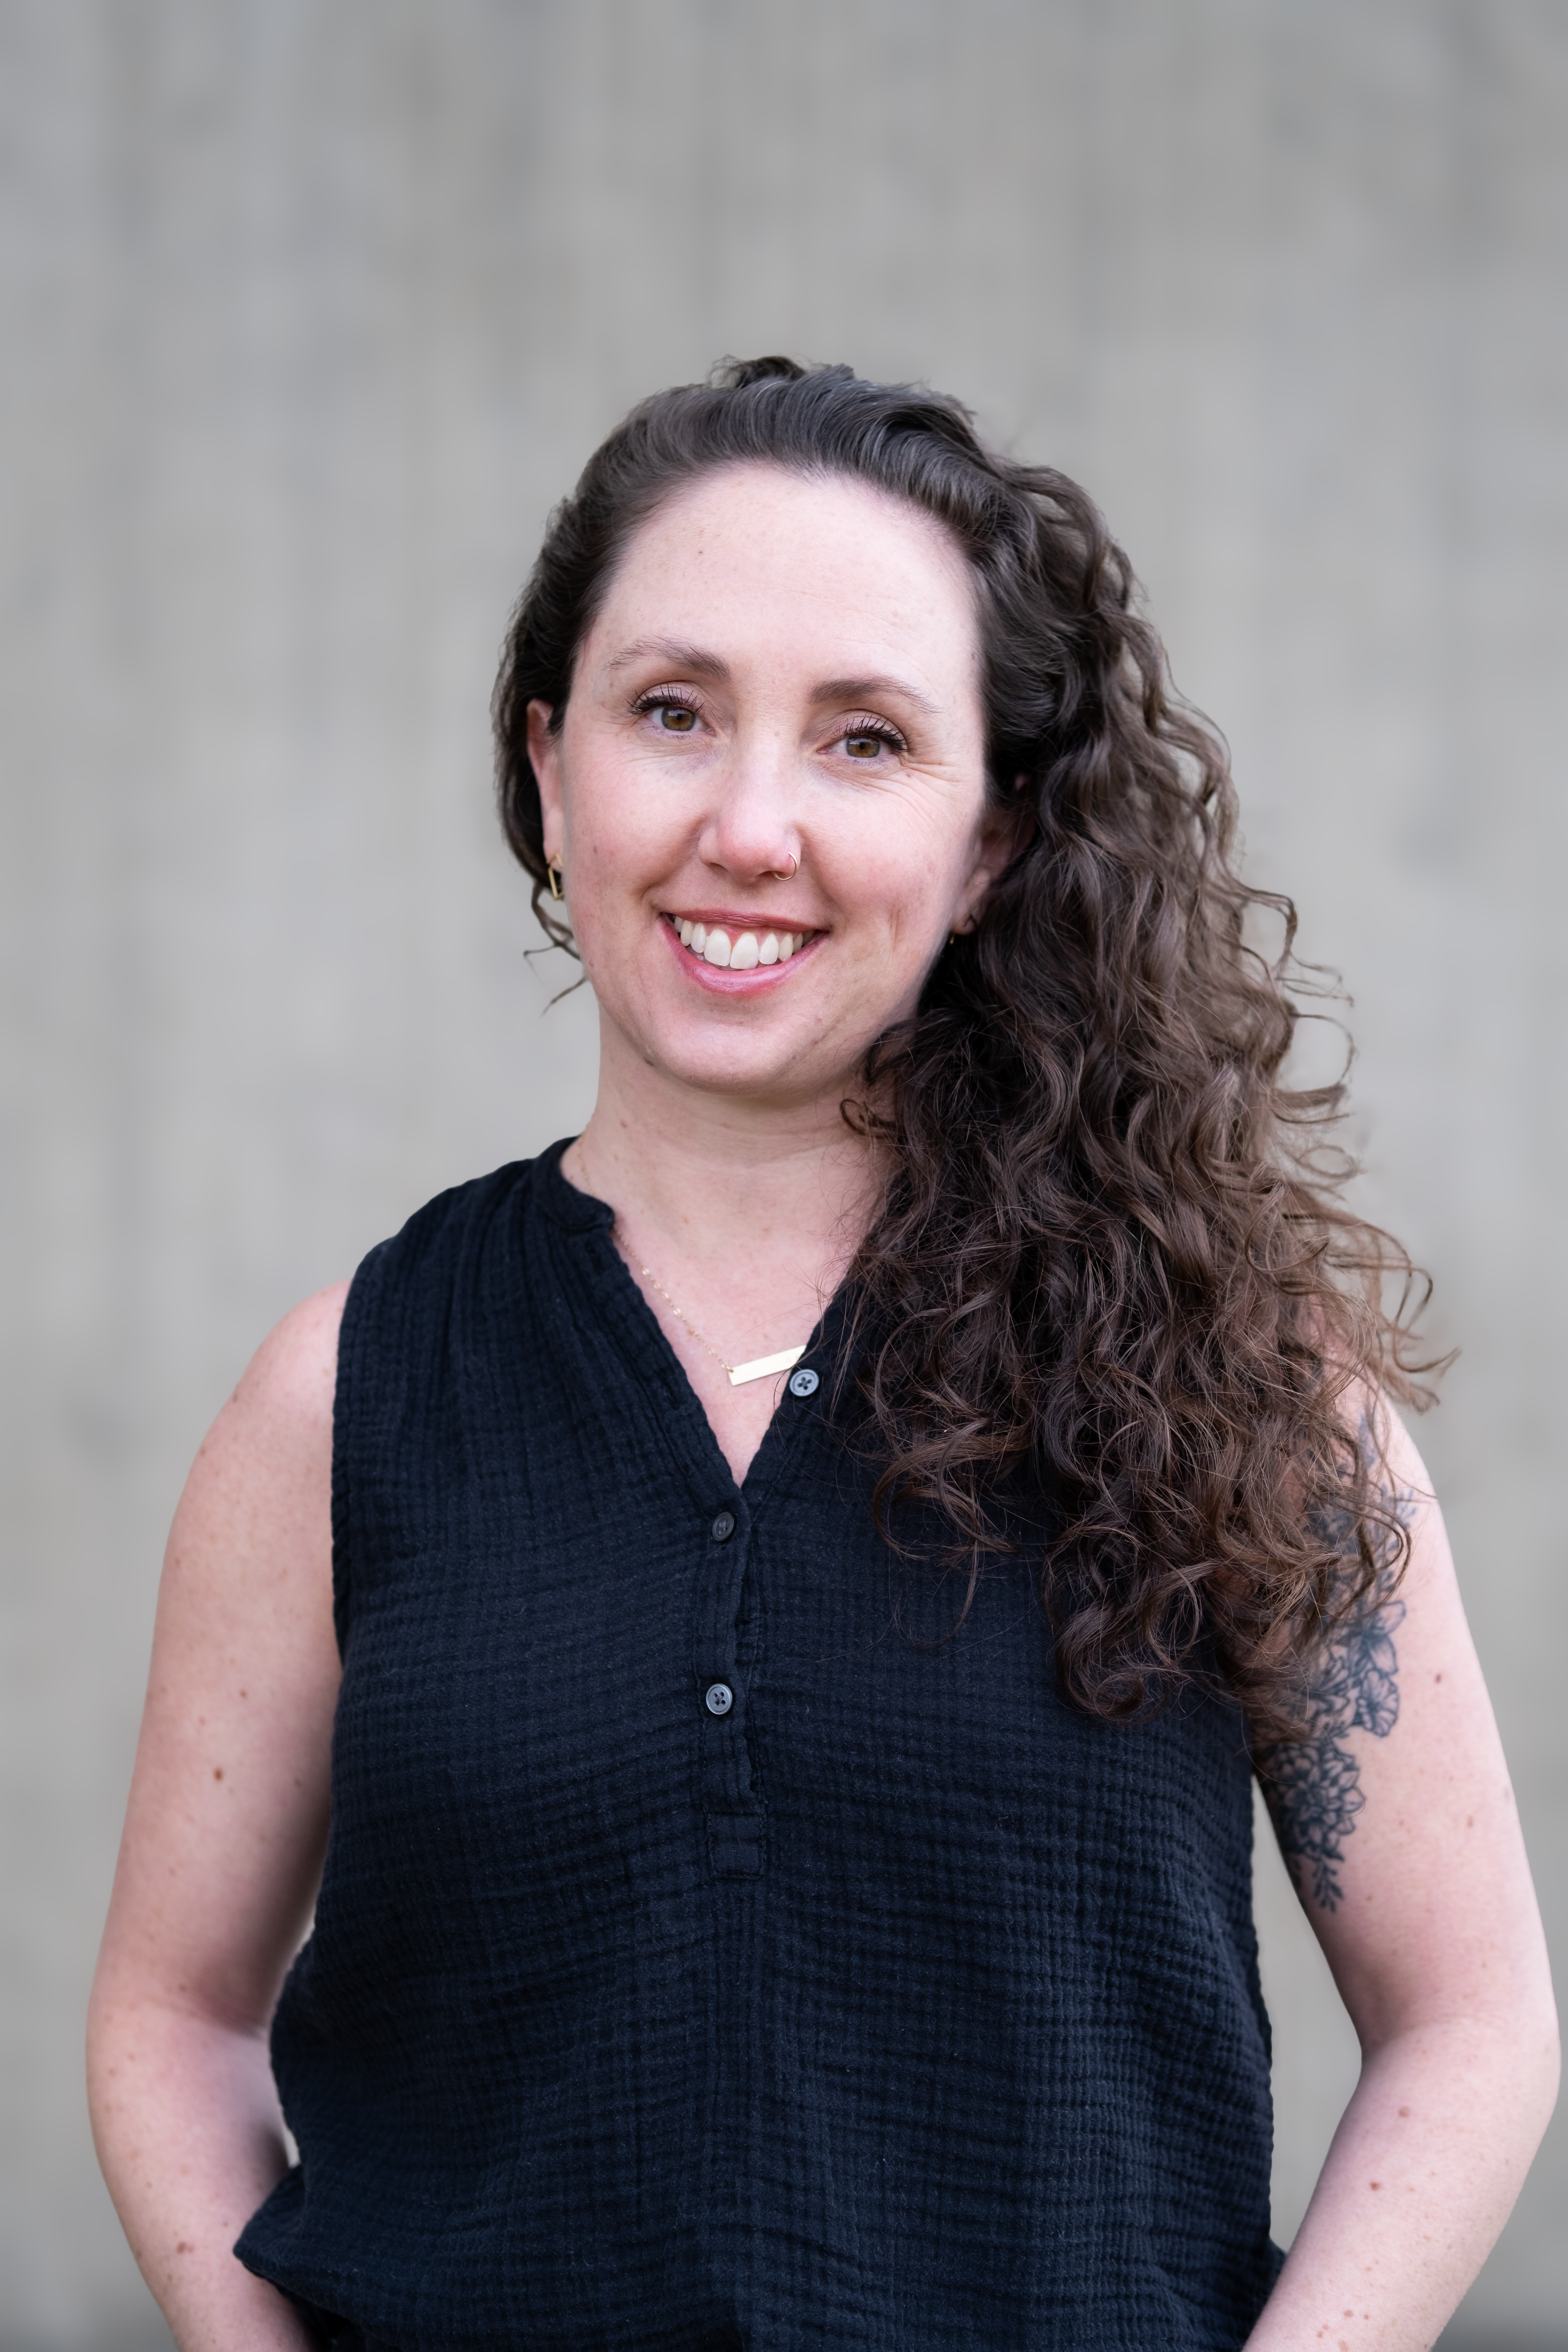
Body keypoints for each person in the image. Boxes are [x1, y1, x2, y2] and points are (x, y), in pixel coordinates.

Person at [87, 358, 1556, 2352]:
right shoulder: (346, 1395)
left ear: (993, 845)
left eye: (865, 740)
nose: (748, 824)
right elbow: (173, 2021)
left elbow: (1470, 2026)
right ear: (550, 765)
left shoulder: (1237, 1389)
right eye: (671, 713)